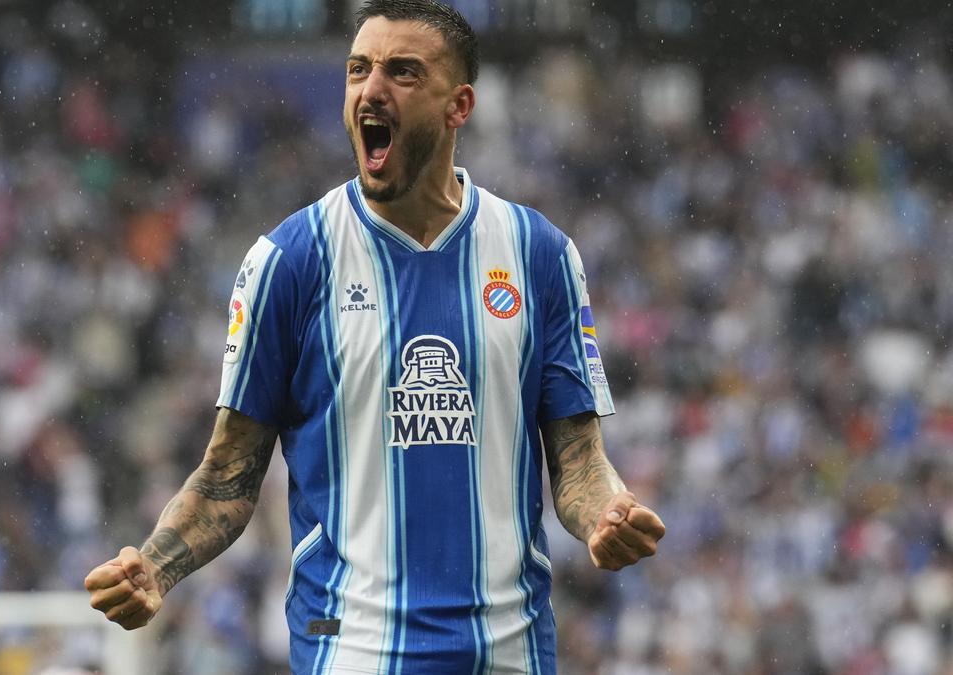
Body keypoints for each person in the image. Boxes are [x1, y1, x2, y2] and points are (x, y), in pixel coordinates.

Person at [84, 0, 666, 671]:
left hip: (507, 651)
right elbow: (227, 478)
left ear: (460, 105)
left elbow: (578, 461)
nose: (371, 88)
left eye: (404, 72)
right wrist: (155, 565)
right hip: (350, 650)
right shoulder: (291, 261)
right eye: (358, 69)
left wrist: (606, 514)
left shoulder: (539, 255)